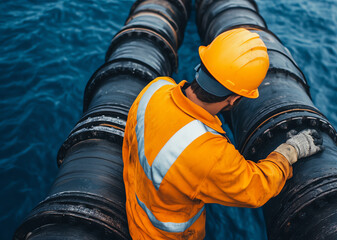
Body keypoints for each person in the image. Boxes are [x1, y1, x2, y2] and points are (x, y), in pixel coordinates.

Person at [122, 28, 323, 239]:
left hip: (134, 200)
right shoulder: (208, 153)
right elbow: (256, 188)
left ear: (202, 67)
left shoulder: (156, 87)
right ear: (234, 99)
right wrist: (288, 152)